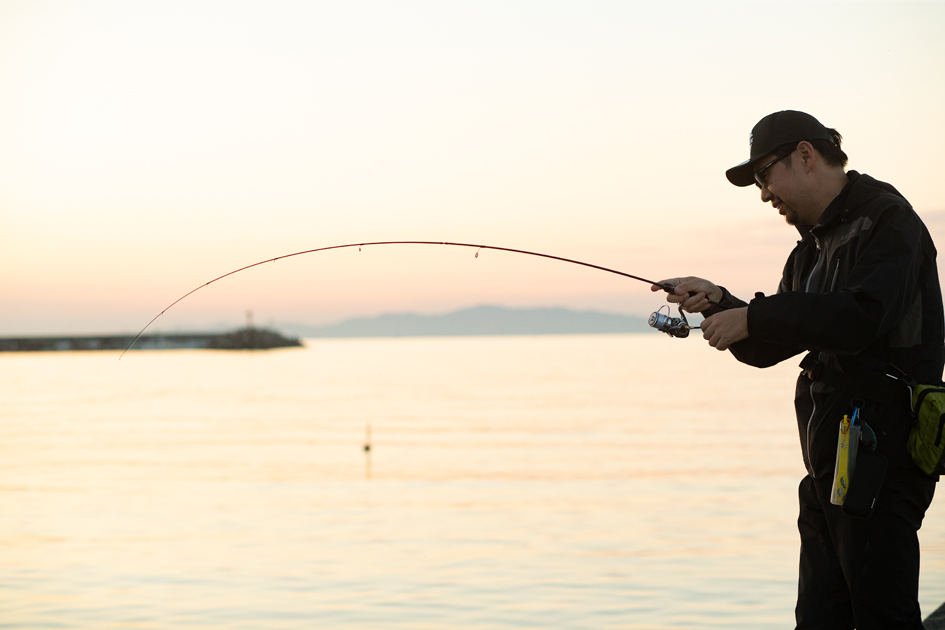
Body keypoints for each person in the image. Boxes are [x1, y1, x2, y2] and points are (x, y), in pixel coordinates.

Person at [654, 110, 943, 629]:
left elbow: (862, 318)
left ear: (806, 155)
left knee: (884, 614)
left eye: (765, 175)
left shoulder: (887, 221)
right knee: (817, 617)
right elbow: (772, 345)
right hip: (829, 469)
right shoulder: (809, 251)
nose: (764, 193)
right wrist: (719, 304)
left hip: (883, 461)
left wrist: (754, 316)